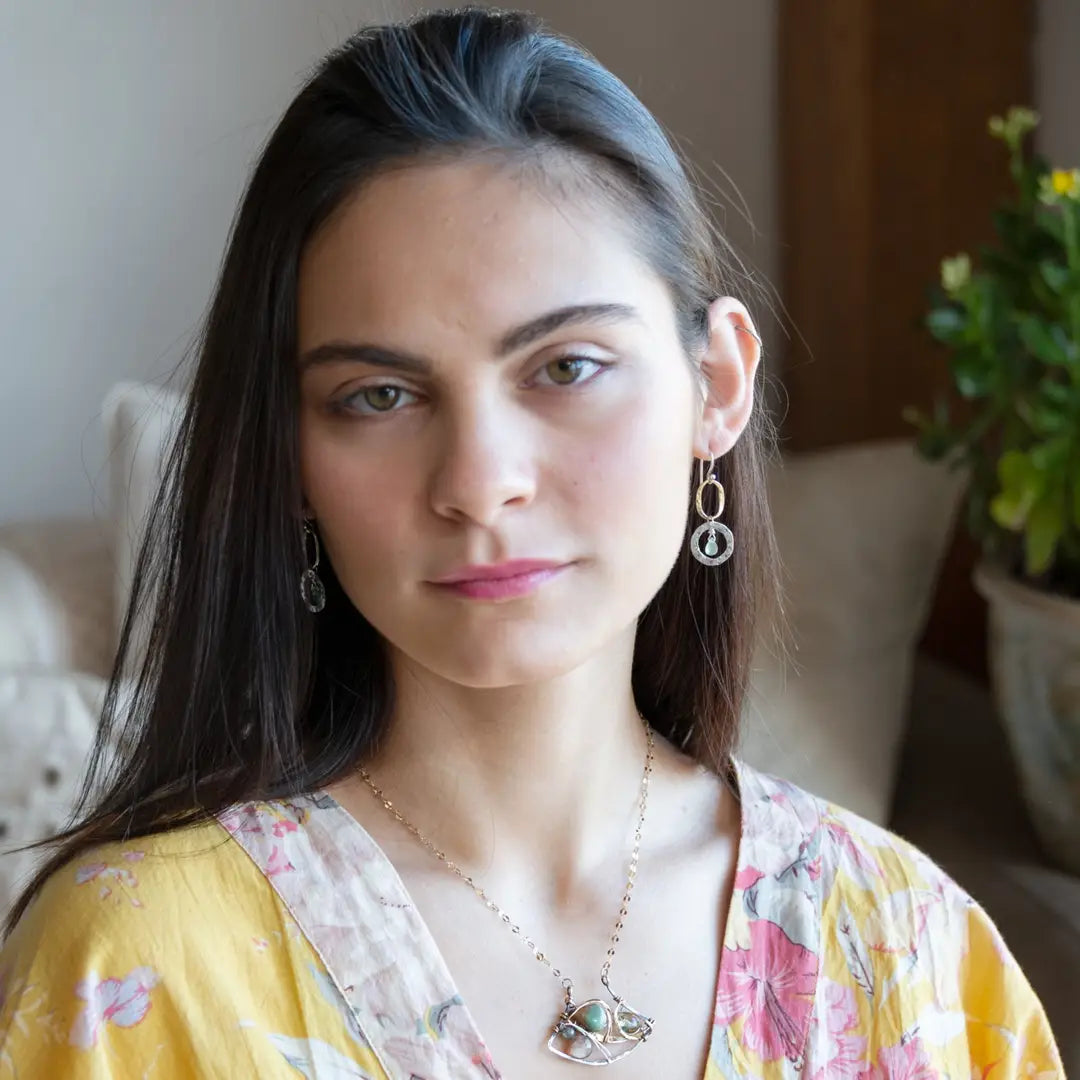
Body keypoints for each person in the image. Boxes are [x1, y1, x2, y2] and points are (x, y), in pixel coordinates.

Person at [0, 7, 1063, 1078]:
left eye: (566, 368)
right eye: (379, 395)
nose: (478, 482)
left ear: (717, 384)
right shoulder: (127, 978)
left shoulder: (914, 955)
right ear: (290, 458)